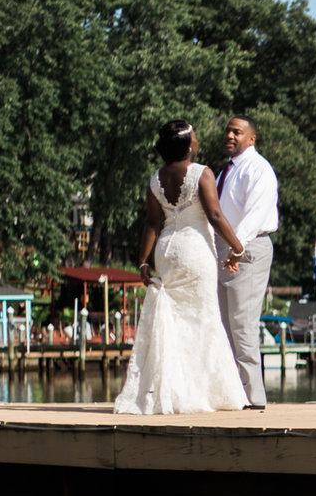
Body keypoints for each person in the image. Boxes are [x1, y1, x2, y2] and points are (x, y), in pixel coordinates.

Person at [114, 120, 250, 415]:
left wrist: (143, 261)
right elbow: (214, 214)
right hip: (195, 251)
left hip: (166, 251)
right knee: (203, 319)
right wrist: (238, 247)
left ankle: (172, 391)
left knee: (173, 322)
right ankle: (203, 394)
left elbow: (152, 223)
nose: (198, 141)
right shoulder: (202, 173)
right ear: (189, 145)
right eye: (195, 137)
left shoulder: (155, 179)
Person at [216, 115, 279, 409]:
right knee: (224, 325)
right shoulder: (226, 171)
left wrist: (237, 247)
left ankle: (254, 398)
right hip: (226, 248)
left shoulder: (258, 170)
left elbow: (254, 214)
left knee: (242, 323)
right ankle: (234, 393)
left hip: (247, 248)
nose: (229, 135)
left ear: (251, 138)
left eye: (237, 132)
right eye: (228, 130)